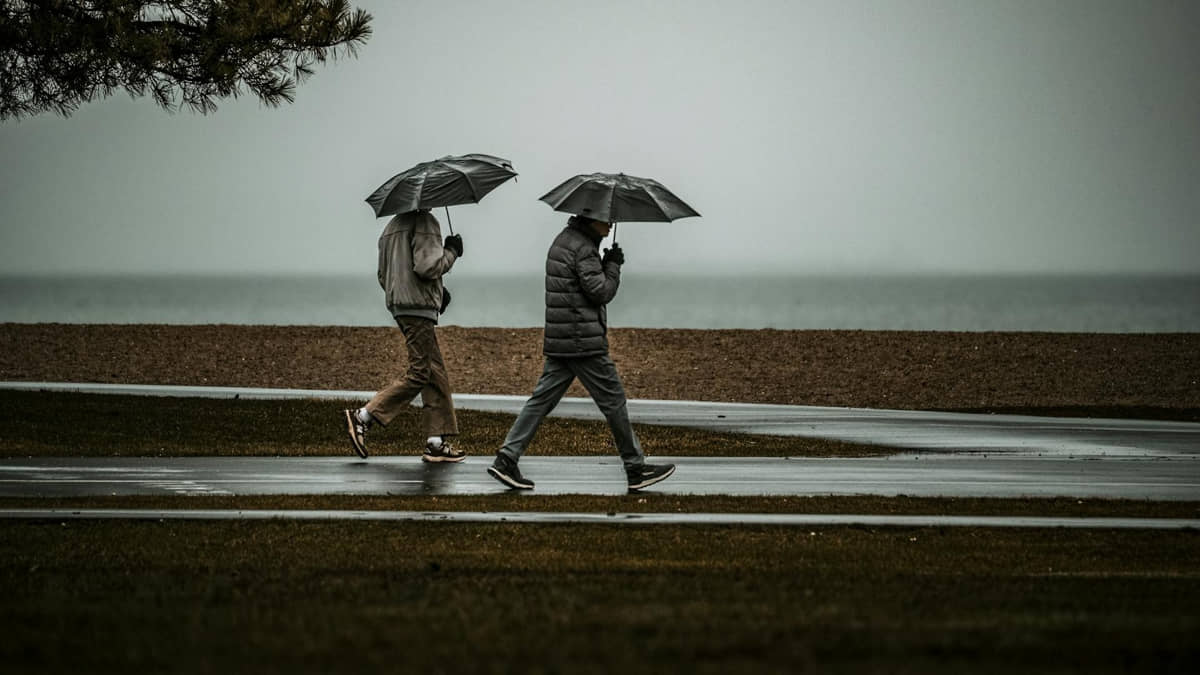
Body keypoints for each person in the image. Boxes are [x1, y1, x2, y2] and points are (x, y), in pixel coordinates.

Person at [487, 214, 675, 491]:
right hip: (582, 341)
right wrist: (613, 266)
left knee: (541, 401)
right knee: (614, 400)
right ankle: (635, 468)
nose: (610, 225)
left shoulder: (563, 242)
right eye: (606, 220)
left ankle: (506, 459)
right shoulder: (584, 248)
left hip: (563, 339)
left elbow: (576, 286)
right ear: (592, 219)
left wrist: (602, 261)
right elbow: (600, 292)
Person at [343, 208, 464, 462]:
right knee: (421, 371)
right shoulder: (426, 222)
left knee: (434, 371)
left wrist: (436, 294)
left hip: (400, 306)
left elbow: (383, 275)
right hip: (417, 309)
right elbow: (427, 267)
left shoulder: (392, 227)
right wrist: (452, 251)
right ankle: (364, 416)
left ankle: (435, 441)